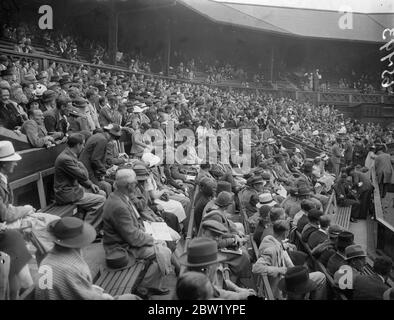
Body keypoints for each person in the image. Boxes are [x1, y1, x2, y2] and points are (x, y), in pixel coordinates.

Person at [102, 169, 170, 297]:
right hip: (122, 248)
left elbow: (133, 228)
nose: (136, 184)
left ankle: (151, 285)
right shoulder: (119, 206)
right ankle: (143, 287)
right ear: (129, 185)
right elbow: (133, 238)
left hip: (127, 241)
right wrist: (151, 239)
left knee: (162, 246)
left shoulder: (119, 196)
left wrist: (148, 236)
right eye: (135, 182)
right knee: (163, 251)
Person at [35, 217, 139, 300]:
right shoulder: (72, 266)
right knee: (131, 298)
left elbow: (66, 286)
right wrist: (102, 297)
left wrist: (90, 288)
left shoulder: (47, 260)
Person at [253, 220, 326, 299]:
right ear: (286, 233)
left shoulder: (270, 240)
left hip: (284, 279)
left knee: (305, 268)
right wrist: (282, 270)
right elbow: (256, 268)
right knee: (321, 276)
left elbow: (278, 251)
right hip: (283, 284)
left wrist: (284, 246)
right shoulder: (271, 249)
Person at [54, 134, 106, 230]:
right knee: (101, 200)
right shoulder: (66, 159)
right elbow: (83, 175)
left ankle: (92, 227)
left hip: (74, 190)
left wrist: (90, 185)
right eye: (83, 145)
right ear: (78, 145)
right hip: (67, 194)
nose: (83, 147)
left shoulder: (69, 154)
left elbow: (80, 177)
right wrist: (81, 164)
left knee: (101, 193)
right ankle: (87, 230)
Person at [180, 237, 255, 300]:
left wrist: (239, 294)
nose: (217, 265)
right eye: (215, 263)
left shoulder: (193, 275)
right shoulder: (195, 286)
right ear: (208, 268)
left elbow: (215, 291)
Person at [79, 124, 121, 196]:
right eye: (113, 137)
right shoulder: (102, 140)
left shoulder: (97, 136)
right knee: (107, 186)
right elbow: (95, 160)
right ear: (110, 134)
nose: (112, 139)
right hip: (87, 171)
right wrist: (105, 171)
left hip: (86, 168)